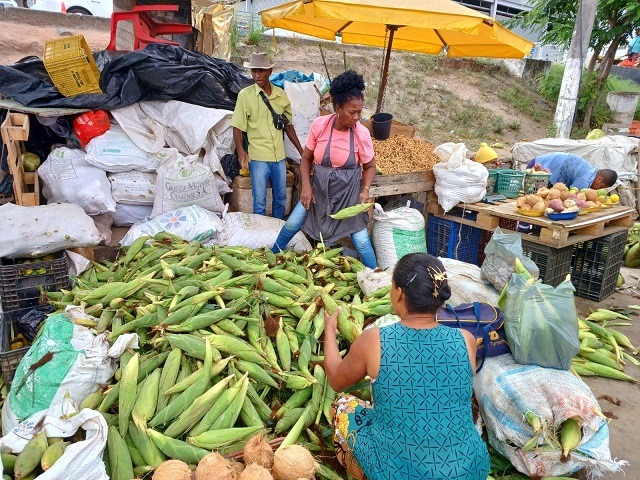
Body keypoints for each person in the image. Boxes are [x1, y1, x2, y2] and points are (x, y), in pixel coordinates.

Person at [324, 253, 490, 480]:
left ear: (399, 294)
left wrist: (329, 333)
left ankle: (363, 471)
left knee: (343, 407)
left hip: (399, 473)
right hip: (467, 469)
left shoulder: (375, 341)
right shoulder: (465, 339)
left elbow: (335, 378)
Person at [270, 70, 377, 269]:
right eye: (351, 112)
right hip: (319, 189)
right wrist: (306, 187)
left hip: (348, 195)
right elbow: (306, 159)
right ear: (337, 108)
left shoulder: (361, 133)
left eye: (359, 112)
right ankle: (271, 257)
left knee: (361, 241)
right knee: (293, 223)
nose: (357, 117)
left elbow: (370, 166)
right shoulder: (320, 125)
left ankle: (377, 277)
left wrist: (365, 189)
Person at [231, 52, 304, 220]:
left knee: (280, 199)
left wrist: (302, 151)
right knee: (259, 202)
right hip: (258, 157)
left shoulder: (281, 95)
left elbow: (288, 126)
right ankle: (261, 232)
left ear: (270, 71)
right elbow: (237, 126)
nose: (257, 75)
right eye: (254, 71)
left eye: (261, 71)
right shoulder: (245, 96)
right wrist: (241, 152)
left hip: (279, 157)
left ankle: (276, 231)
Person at [527, 153, 617, 190]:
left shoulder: (590, 170)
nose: (597, 190)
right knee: (533, 200)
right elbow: (571, 197)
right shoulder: (585, 180)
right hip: (536, 168)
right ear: (599, 179)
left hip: (541, 161)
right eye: (601, 187)